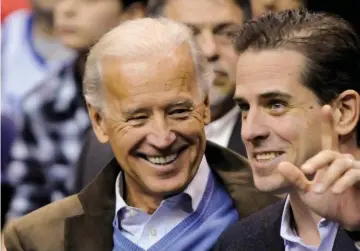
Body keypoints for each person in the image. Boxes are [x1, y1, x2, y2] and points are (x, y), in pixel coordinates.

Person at [3, 18, 277, 251]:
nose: (162, 138)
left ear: (205, 106)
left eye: (178, 111)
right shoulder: (38, 240)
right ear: (98, 121)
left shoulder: (280, 212)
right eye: (138, 118)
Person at [215, 9, 360, 250]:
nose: (249, 132)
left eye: (276, 105)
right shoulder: (237, 243)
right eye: (245, 107)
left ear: (344, 112)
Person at [73, 0, 252, 192]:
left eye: (227, 33)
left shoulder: (270, 139)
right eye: (191, 34)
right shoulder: (99, 152)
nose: (209, 50)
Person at [5, 0, 148, 220]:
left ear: (132, 14)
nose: (66, 9)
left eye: (88, 0)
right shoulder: (41, 103)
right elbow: (28, 205)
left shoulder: (162, 98)